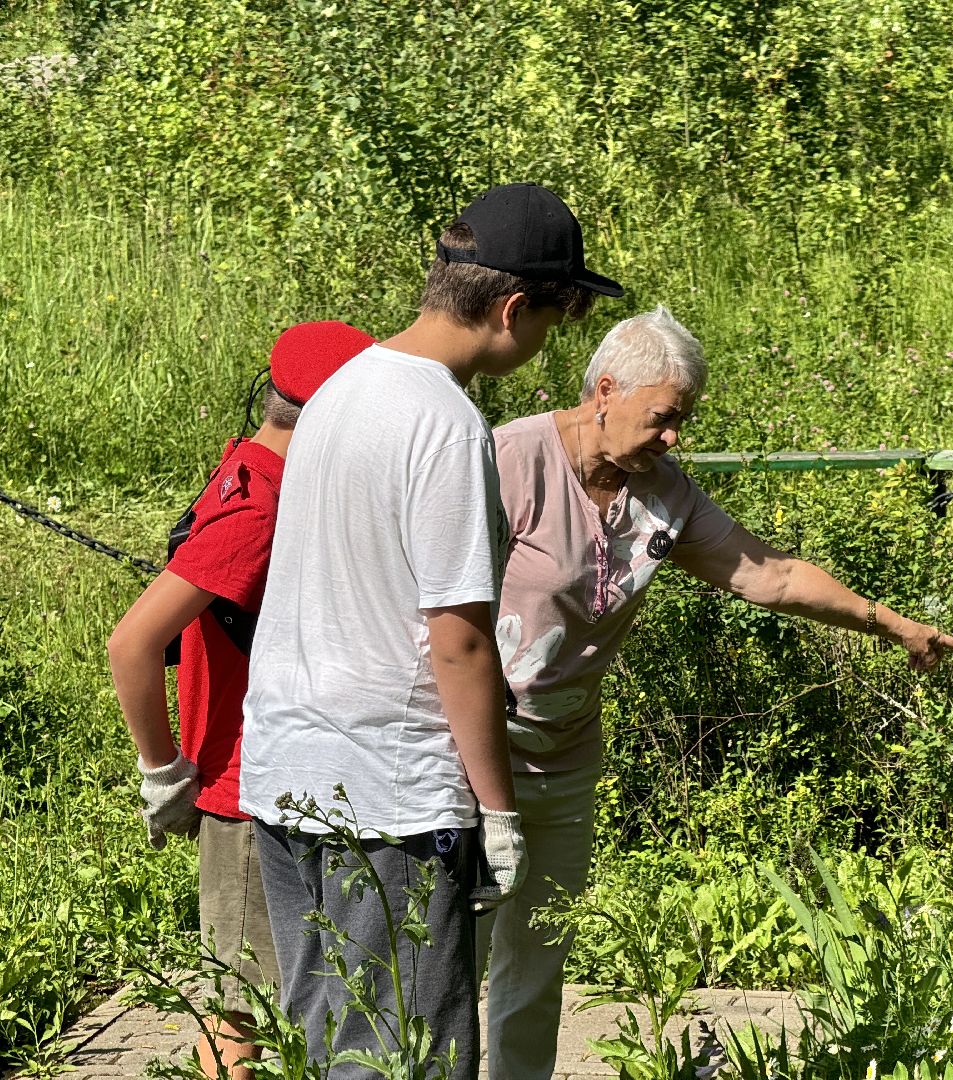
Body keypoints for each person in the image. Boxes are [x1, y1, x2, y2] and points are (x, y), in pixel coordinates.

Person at [483, 306, 953, 1080]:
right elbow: (435, 612)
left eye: (684, 421)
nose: (675, 437)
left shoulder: (664, 495)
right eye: (664, 418)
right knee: (444, 957)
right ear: (605, 389)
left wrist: (892, 624)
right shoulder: (507, 461)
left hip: (564, 759)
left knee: (538, 963)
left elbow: (770, 574)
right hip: (472, 755)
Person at [237, 184, 622, 1079]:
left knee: (334, 1042)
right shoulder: (446, 424)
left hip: (288, 774)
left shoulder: (340, 390)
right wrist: (496, 809)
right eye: (555, 321)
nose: (546, 346)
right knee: (404, 1055)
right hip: (389, 799)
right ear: (513, 307)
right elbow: (458, 637)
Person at [107, 320, 375, 1080]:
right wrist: (164, 772)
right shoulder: (261, 509)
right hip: (242, 792)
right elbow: (131, 643)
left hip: (269, 777)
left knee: (265, 1000)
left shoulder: (250, 464)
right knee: (241, 1017)